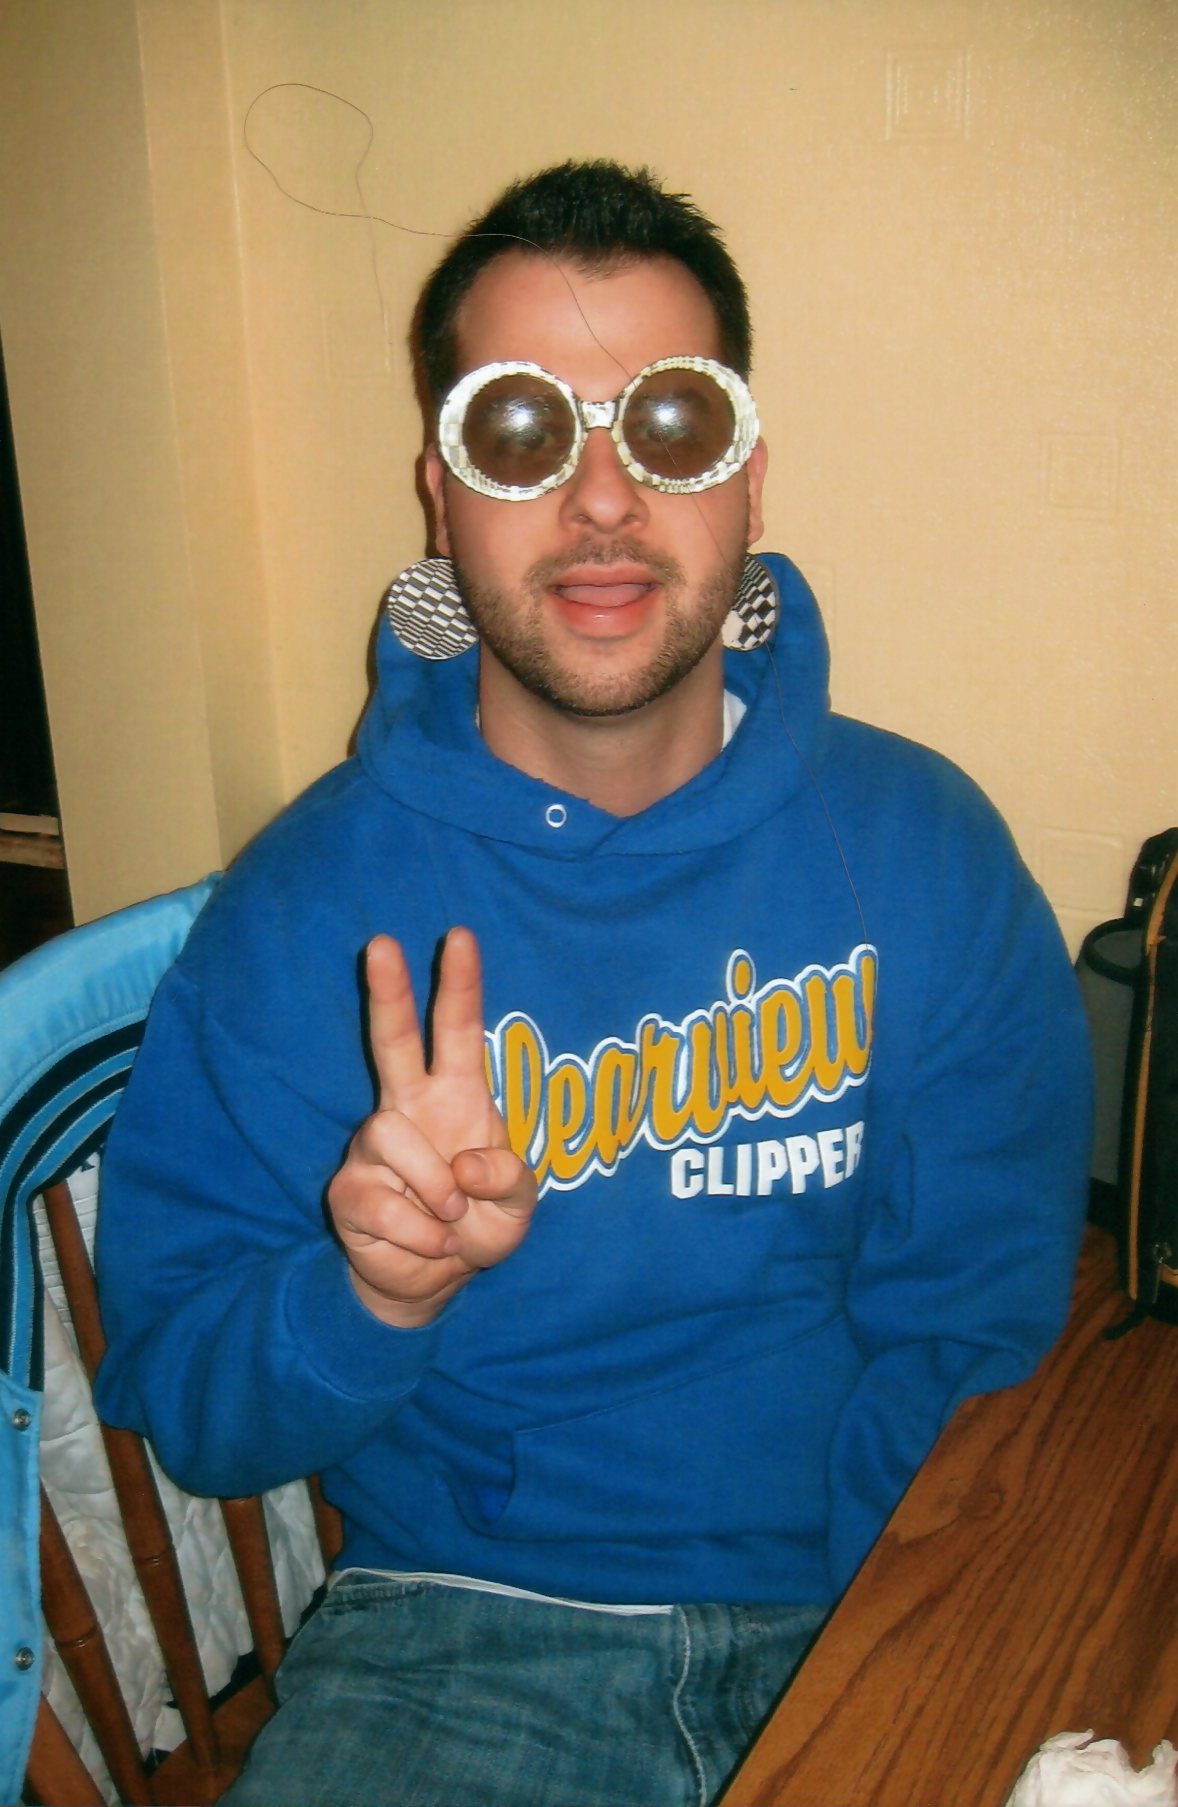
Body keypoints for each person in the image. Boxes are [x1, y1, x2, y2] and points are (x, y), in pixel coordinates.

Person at [94, 160, 1092, 1807]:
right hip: (458, 1639)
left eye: (671, 426)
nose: (604, 500)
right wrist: (370, 1298)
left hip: (868, 1586)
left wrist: (877, 1657)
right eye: (520, 432)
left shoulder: (921, 849)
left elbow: (976, 1323)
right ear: (440, 494)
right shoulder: (304, 905)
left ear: (748, 478)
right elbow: (189, 1406)